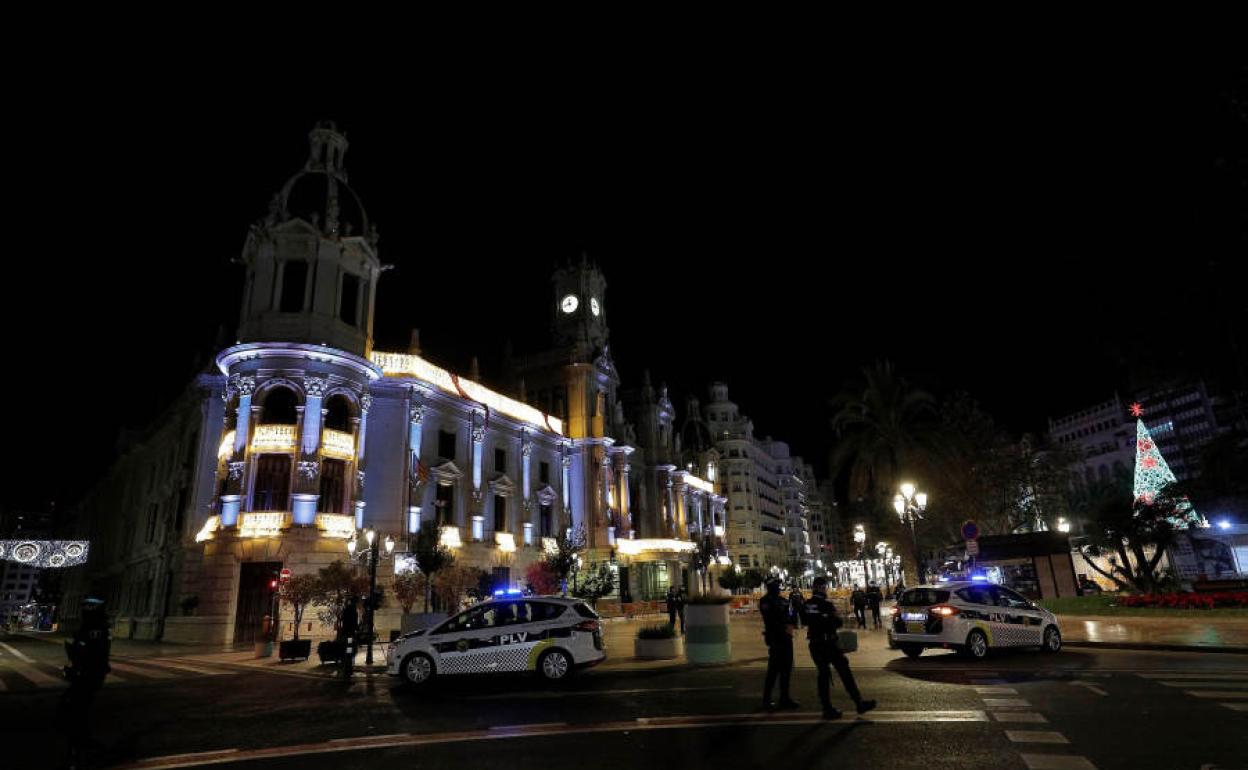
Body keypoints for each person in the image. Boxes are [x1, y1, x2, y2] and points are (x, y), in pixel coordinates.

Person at [805, 577, 876, 720]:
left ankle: (827, 708)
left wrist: (823, 620)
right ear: (821, 587)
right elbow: (837, 622)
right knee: (844, 673)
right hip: (829, 644)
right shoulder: (827, 604)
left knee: (824, 675)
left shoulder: (807, 604)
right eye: (825, 587)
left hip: (815, 644)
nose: (826, 590)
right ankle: (858, 702)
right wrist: (828, 620)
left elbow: (806, 620)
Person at [57, 597, 111, 767]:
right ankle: (81, 741)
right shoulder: (93, 627)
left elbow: (92, 653)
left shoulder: (96, 629)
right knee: (77, 708)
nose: (84, 612)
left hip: (89, 675)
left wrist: (77, 665)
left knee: (77, 707)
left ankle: (78, 749)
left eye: (88, 609)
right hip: (88, 674)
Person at [759, 578, 800, 711]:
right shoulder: (766, 601)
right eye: (775, 585)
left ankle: (785, 698)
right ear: (770, 587)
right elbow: (770, 619)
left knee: (786, 670)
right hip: (776, 639)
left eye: (778, 585)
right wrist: (784, 625)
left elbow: (792, 612)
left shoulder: (783, 600)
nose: (778, 587)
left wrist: (792, 623)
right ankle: (766, 700)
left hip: (786, 638)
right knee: (773, 671)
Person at [338, 595, 359, 681]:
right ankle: (348, 670)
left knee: (347, 651)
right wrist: (358, 628)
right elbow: (354, 623)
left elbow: (342, 619)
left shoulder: (346, 609)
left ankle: (347, 669)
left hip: (345, 633)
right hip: (350, 634)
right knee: (349, 651)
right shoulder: (353, 610)